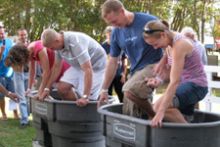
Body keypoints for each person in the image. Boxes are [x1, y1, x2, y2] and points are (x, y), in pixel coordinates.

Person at [98, 0, 163, 117]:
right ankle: (145, 126)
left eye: (115, 21)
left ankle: (155, 115)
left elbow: (168, 42)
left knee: (130, 90)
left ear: (122, 11)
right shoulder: (116, 33)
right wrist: (104, 89)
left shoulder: (148, 21)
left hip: (155, 64)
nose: (114, 26)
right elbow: (112, 61)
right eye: (110, 24)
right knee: (129, 109)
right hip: (135, 70)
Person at [143, 20, 208, 127]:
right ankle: (188, 132)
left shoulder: (180, 44)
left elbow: (174, 81)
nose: (155, 47)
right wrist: (158, 80)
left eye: (155, 44)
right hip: (184, 87)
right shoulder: (169, 44)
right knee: (164, 110)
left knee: (157, 108)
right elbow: (172, 71)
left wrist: (160, 112)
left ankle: (193, 136)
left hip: (197, 86)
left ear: (163, 35)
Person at [40, 29, 107, 107]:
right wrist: (47, 88)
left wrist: (85, 96)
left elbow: (88, 69)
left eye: (51, 48)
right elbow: (56, 67)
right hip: (79, 65)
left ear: (57, 41)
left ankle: (88, 115)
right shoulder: (57, 47)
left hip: (95, 67)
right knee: (62, 89)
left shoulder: (76, 43)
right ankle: (74, 113)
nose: (51, 50)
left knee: (89, 100)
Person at [5, 41, 70, 99]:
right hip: (53, 73)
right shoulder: (29, 51)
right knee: (62, 94)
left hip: (62, 69)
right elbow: (32, 70)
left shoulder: (39, 49)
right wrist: (29, 89)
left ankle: (76, 111)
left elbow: (46, 72)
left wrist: (40, 92)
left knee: (66, 93)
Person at [101, 26, 127, 102]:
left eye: (112, 34)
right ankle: (107, 112)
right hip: (107, 75)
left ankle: (124, 111)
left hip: (119, 75)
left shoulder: (120, 44)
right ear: (106, 34)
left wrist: (123, 74)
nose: (110, 36)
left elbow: (124, 59)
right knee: (107, 95)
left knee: (122, 95)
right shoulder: (103, 46)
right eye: (108, 34)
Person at [0, 27, 19, 120]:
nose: (2, 35)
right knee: (1, 96)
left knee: (13, 93)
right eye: (0, 34)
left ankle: (15, 113)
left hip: (10, 74)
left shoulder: (9, 42)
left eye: (3, 33)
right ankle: (3, 114)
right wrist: (1, 52)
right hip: (0, 74)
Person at [12, 28, 30, 126]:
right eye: (21, 35)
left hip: (28, 73)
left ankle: (27, 116)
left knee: (27, 96)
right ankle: (24, 120)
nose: (23, 37)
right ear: (18, 36)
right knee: (21, 97)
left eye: (24, 35)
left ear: (27, 35)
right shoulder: (15, 47)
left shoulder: (30, 45)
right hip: (18, 73)